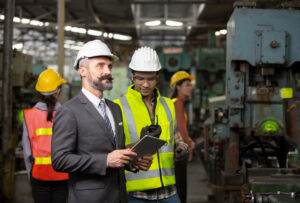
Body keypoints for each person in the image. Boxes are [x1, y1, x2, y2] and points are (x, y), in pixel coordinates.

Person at [51, 40, 147, 203]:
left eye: (109, 66)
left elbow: (115, 152)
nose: (107, 71)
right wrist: (105, 161)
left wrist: (132, 162)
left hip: (119, 196)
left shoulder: (114, 108)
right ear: (83, 71)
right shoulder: (69, 111)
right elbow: (60, 160)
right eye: (100, 66)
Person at [114, 47, 185, 203]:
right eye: (140, 78)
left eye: (150, 79)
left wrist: (180, 146)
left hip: (169, 190)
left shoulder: (168, 105)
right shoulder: (118, 107)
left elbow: (175, 136)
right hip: (137, 194)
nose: (145, 84)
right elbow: (113, 149)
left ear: (157, 77)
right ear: (132, 77)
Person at [22, 68, 69, 203]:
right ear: (58, 90)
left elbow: (27, 153)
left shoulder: (29, 115)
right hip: (62, 175)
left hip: (39, 175)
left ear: (39, 92)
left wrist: (31, 175)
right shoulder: (66, 113)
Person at [170, 70, 195, 203]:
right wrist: (189, 146)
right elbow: (181, 129)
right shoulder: (177, 103)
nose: (190, 88)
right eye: (187, 84)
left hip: (175, 150)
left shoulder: (173, 102)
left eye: (190, 85)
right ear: (178, 87)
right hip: (179, 152)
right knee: (180, 189)